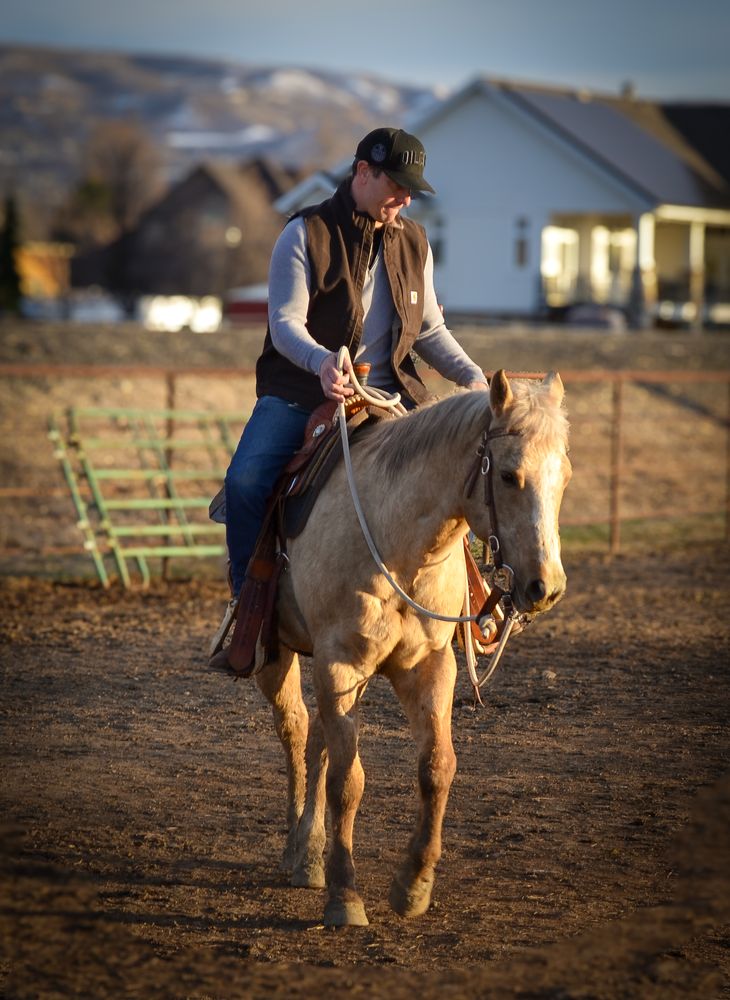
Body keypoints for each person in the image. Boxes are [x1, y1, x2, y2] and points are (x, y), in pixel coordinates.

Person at [211, 126, 488, 663]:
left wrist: (471, 376)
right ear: (364, 172)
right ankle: (250, 609)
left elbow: (429, 330)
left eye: (412, 190)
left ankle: (466, 610)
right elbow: (286, 322)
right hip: (300, 394)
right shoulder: (304, 233)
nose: (405, 198)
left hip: (391, 403)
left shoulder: (413, 242)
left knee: (462, 472)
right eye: (397, 185)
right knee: (245, 482)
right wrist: (320, 361)